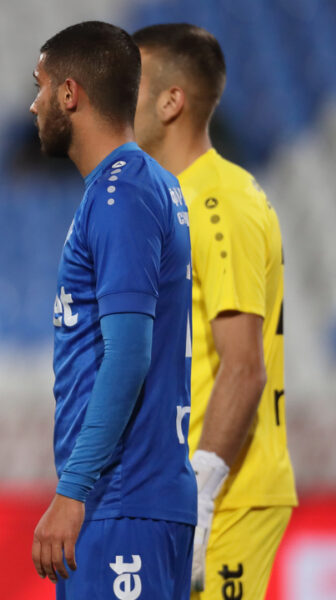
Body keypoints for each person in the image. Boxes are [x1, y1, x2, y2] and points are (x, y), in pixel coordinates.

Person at [28, 21, 196, 598]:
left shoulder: (120, 195)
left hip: (121, 497)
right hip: (138, 497)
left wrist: (73, 490)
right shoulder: (147, 183)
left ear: (70, 94)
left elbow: (127, 356)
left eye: (41, 86)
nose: (34, 105)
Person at [133, 23, 296, 599]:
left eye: (130, 82)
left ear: (172, 101)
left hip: (225, 496)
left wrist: (199, 496)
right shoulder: (171, 200)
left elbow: (244, 366)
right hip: (175, 493)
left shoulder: (219, 201)